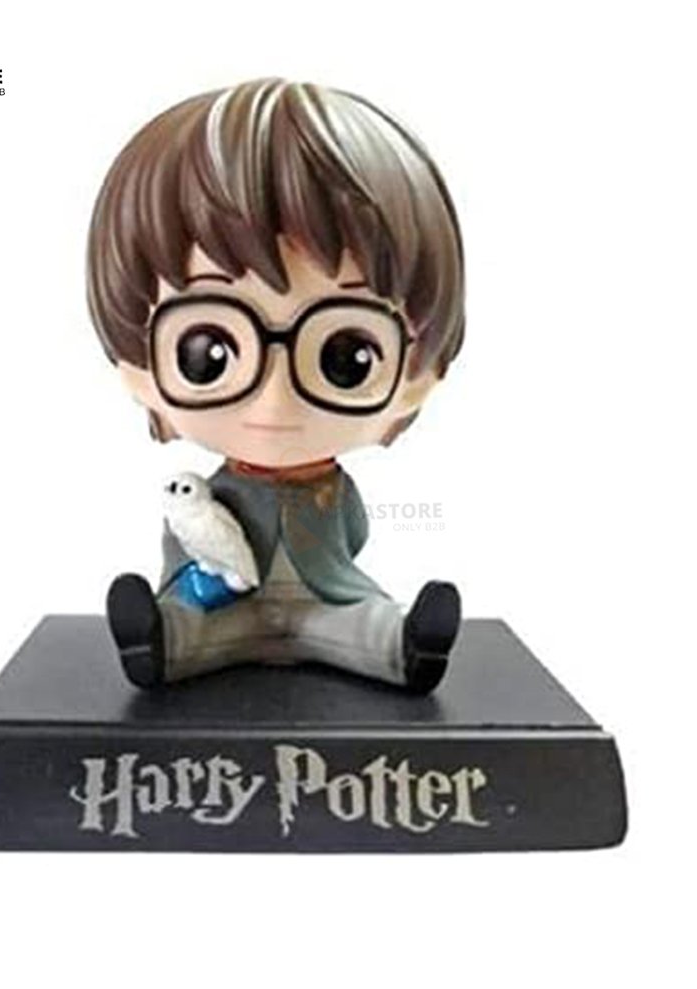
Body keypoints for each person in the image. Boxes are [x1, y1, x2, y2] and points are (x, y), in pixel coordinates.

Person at [87, 79, 466, 693]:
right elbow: (188, 546)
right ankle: (159, 642)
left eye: (346, 357)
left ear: (416, 376)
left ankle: (407, 647)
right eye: (208, 353)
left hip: (324, 602)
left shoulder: (334, 492)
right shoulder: (207, 498)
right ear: (138, 366)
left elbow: (353, 536)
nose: (275, 400)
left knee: (366, 623)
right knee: (190, 627)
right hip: (226, 606)